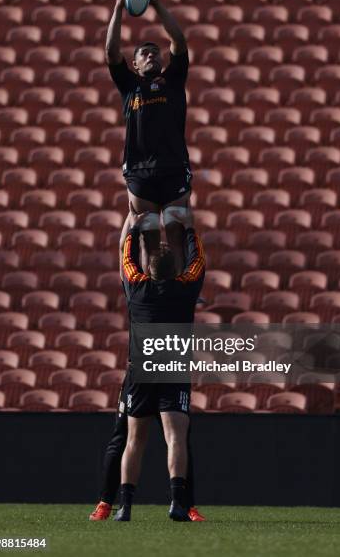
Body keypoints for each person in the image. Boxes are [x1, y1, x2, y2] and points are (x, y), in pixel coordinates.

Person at [88, 209, 206, 522]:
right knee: (176, 437)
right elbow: (198, 263)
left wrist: (135, 229)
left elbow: (126, 261)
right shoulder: (186, 290)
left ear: (149, 269)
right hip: (173, 369)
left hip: (140, 371)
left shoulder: (137, 290)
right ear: (174, 270)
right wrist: (191, 230)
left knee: (133, 439)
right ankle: (178, 503)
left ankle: (124, 506)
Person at [105, 0, 192, 273]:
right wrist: (118, 7)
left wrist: (155, 3)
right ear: (136, 64)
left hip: (173, 165)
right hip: (140, 170)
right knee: (148, 233)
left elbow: (179, 42)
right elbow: (111, 52)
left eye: (155, 51)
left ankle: (181, 287)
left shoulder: (173, 79)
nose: (152, 54)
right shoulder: (129, 86)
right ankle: (147, 287)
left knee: (177, 226)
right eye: (144, 52)